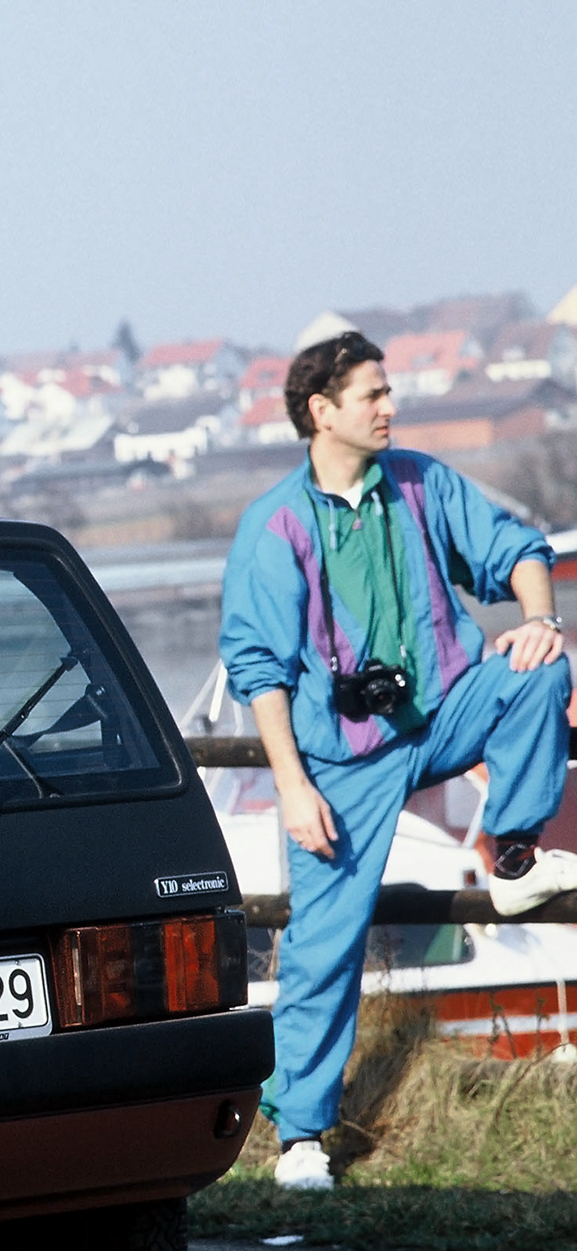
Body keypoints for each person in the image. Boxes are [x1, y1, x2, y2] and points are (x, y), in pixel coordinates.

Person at [220, 330, 576, 1190]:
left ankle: (516, 856)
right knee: (323, 946)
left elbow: (520, 550)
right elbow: (258, 671)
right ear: (322, 411)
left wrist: (539, 620)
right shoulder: (274, 526)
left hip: (445, 711)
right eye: (373, 394)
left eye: (389, 392)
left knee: (538, 673)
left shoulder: (421, 483)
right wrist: (294, 788)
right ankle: (301, 1140)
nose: (391, 407)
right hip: (340, 761)